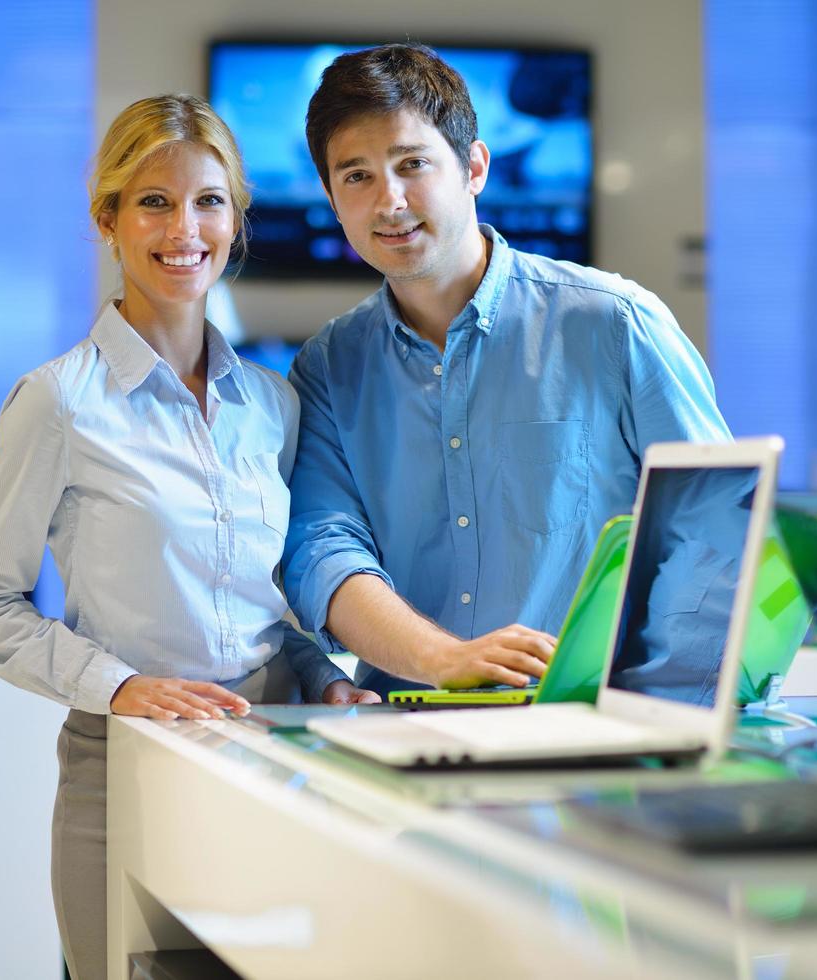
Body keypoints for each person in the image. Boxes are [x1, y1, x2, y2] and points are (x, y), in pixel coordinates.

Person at [0, 94, 377, 980]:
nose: (184, 228)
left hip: (269, 763)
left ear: (235, 220)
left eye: (208, 201)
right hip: (124, 770)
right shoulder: (59, 401)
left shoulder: (274, 404)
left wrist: (324, 679)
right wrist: (124, 686)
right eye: (154, 201)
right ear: (107, 218)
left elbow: (273, 603)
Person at [283, 44, 732, 698]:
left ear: (473, 168)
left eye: (413, 164)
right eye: (356, 176)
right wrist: (443, 659)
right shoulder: (328, 368)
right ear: (329, 195)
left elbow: (716, 530)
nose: (390, 201)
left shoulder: (612, 323)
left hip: (595, 730)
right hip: (410, 737)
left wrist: (664, 713)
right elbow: (324, 554)